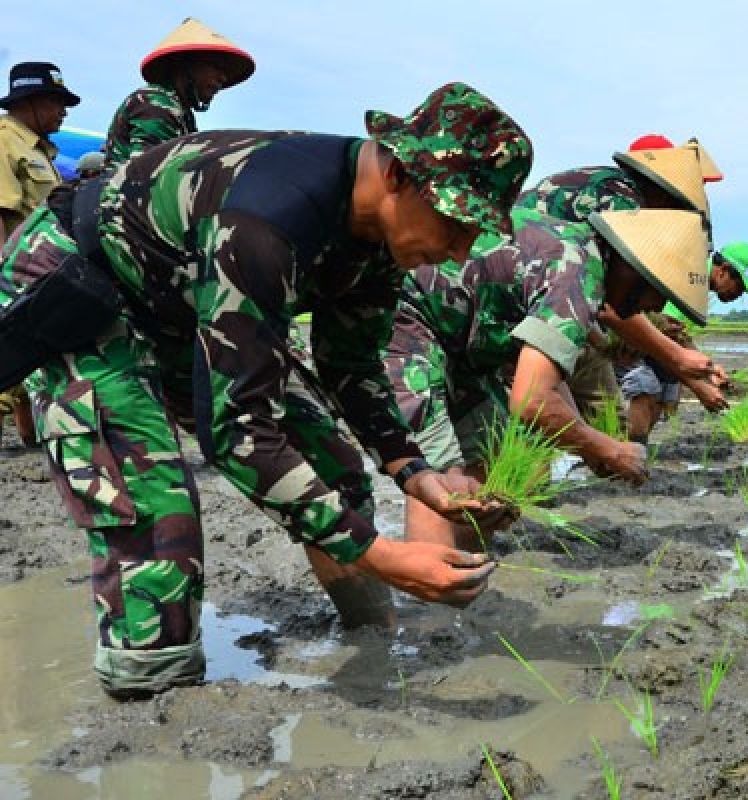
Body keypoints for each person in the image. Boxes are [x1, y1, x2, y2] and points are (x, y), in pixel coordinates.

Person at [0, 81, 533, 698]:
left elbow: (353, 364)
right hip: (85, 285)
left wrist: (412, 469)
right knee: (153, 516)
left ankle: (378, 639)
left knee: (330, 462)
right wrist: (381, 552)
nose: (458, 249)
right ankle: (151, 701)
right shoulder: (265, 218)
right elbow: (236, 431)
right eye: (455, 221)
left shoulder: (383, 240)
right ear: (396, 174)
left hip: (179, 299)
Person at [386, 206, 710, 551]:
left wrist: (591, 449)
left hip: (466, 349)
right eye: (656, 292)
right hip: (409, 319)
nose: (655, 306)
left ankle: (461, 577)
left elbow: (550, 385)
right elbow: (532, 401)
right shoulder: (577, 278)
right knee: (439, 473)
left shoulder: (580, 254)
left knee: (487, 464)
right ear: (633, 268)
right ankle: (428, 591)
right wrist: (608, 449)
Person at [517, 136, 729, 414]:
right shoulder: (621, 205)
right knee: (553, 402)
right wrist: (678, 360)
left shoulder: (616, 191)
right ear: (664, 192)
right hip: (520, 291)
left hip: (549, 294)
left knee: (598, 412)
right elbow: (612, 306)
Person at [0, 61, 81, 447]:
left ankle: (32, 441)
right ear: (32, 101)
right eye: (57, 102)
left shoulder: (40, 149)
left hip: (39, 272)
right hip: (14, 271)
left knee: (26, 362)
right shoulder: (3, 140)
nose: (64, 112)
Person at [622, 241, 748, 441]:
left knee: (665, 395)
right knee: (645, 385)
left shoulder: (698, 282)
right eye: (740, 285)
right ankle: (627, 457)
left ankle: (635, 453)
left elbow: (679, 334)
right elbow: (664, 331)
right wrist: (700, 387)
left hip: (648, 340)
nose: (740, 293)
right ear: (723, 270)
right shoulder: (691, 278)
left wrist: (709, 369)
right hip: (625, 338)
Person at [105, 18, 254, 167]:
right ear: (186, 65)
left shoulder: (185, 116)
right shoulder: (155, 103)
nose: (223, 77)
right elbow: (147, 175)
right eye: (216, 66)